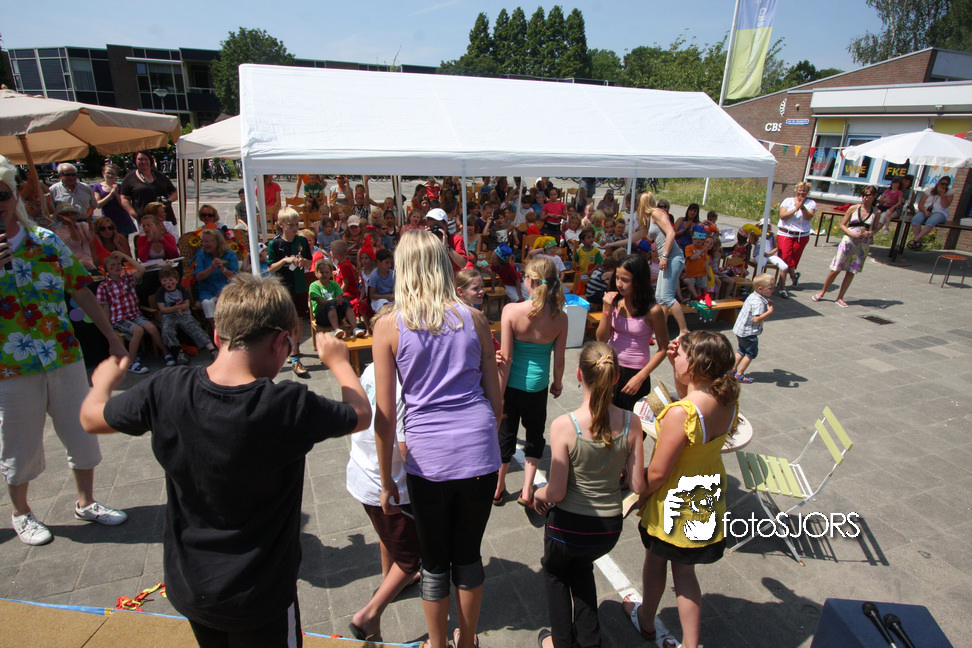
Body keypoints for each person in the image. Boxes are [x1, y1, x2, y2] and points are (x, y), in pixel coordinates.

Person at [80, 273, 371, 648]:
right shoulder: (286, 405)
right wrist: (339, 363)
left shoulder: (166, 387)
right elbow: (360, 415)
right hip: (261, 597)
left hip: (192, 587)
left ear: (217, 335)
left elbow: (91, 418)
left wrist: (102, 384)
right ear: (281, 343)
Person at [373, 229, 502, 648]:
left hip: (428, 457)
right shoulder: (474, 318)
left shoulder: (388, 326)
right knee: (468, 555)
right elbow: (496, 401)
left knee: (434, 562)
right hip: (478, 450)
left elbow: (385, 418)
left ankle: (437, 642)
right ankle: (468, 640)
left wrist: (386, 479)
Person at [1, 155, 129, 546]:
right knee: (19, 442)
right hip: (11, 364)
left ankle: (86, 502)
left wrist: (112, 337)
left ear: (14, 196)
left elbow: (80, 289)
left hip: (63, 353)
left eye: (2, 194)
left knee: (81, 430)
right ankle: (21, 512)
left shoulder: (45, 241)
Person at [624, 331, 740, 648]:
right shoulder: (727, 400)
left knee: (655, 560)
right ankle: (690, 644)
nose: (676, 355)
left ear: (697, 365)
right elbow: (689, 393)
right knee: (686, 574)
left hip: (674, 501)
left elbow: (659, 472)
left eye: (683, 354)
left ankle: (646, 619)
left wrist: (638, 494)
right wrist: (677, 365)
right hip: (706, 494)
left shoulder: (680, 414)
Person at [534, 342, 646, 648]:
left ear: (579, 374)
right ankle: (590, 641)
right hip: (607, 530)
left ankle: (561, 642)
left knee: (555, 573)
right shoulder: (632, 422)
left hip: (567, 528)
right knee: (582, 569)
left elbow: (557, 492)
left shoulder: (564, 426)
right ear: (616, 376)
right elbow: (637, 485)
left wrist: (538, 494)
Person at [346, 356, 421, 644]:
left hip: (364, 475)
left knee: (388, 534)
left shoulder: (371, 368)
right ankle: (370, 615)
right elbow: (405, 448)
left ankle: (389, 580)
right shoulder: (405, 384)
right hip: (390, 486)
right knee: (412, 558)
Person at [495, 256, 568, 509]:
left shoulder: (511, 311)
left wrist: (499, 395)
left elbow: (505, 358)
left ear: (530, 281)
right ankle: (527, 490)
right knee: (534, 436)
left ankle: (498, 488)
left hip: (511, 386)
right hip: (537, 388)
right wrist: (557, 383)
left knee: (506, 435)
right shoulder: (560, 317)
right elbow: (559, 359)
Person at [595, 254, 669, 410]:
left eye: (625, 280)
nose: (619, 284)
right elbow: (601, 339)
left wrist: (641, 376)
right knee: (607, 417)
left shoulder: (653, 310)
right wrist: (607, 311)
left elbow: (663, 348)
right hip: (611, 366)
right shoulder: (615, 302)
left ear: (639, 281)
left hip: (635, 373)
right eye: (617, 278)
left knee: (631, 419)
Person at [96, 251, 166, 374]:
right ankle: (130, 362)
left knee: (151, 327)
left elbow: (141, 269)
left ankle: (166, 353)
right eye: (112, 265)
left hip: (134, 315)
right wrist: (108, 328)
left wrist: (124, 256)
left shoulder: (128, 279)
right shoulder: (104, 286)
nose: (117, 267)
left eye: (119, 264)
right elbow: (105, 308)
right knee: (138, 330)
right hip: (119, 319)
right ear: (106, 268)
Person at [633, 193, 689, 339]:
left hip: (673, 258)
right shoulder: (650, 219)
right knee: (659, 298)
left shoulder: (657, 213)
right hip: (668, 259)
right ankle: (660, 330)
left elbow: (671, 233)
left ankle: (684, 330)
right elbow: (636, 236)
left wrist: (664, 256)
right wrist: (612, 244)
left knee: (668, 297)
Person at [812, 186, 878, 308]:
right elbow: (842, 225)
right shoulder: (854, 208)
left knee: (851, 271)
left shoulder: (876, 212)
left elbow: (875, 228)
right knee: (836, 268)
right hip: (848, 241)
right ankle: (822, 291)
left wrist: (870, 233)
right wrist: (851, 233)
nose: (865, 198)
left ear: (874, 196)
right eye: (863, 195)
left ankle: (840, 297)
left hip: (862, 244)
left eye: (868, 195)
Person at [267, 207, 312, 377]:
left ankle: (294, 349)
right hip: (284, 286)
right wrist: (285, 260)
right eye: (291, 224)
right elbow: (271, 268)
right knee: (288, 321)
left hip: (300, 285)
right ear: (281, 224)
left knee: (298, 320)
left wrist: (302, 262)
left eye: (296, 224)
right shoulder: (275, 244)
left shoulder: (301, 241)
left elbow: (309, 262)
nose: (295, 227)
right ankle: (293, 355)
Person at [155, 266, 217, 365]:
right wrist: (175, 308)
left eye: (170, 280)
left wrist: (181, 307)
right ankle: (178, 353)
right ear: (160, 281)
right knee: (167, 330)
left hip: (183, 314)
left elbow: (187, 304)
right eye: (165, 281)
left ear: (176, 280)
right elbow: (162, 309)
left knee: (194, 327)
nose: (168, 283)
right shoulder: (160, 292)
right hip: (169, 316)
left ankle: (212, 349)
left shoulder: (181, 289)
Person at [731, 273, 775, 383]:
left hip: (740, 330)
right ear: (760, 288)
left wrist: (766, 302)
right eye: (770, 288)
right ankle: (739, 374)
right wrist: (769, 312)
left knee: (741, 350)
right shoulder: (758, 302)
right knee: (750, 354)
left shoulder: (753, 296)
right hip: (749, 332)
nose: (773, 290)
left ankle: (732, 369)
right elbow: (756, 319)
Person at [776, 181, 815, 294]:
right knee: (785, 259)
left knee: (793, 260)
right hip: (785, 234)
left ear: (807, 192)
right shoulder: (788, 201)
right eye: (800, 190)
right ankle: (782, 285)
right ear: (796, 191)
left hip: (801, 236)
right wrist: (795, 209)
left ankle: (792, 275)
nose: (802, 193)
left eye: (804, 191)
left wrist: (802, 208)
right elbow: (783, 216)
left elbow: (808, 217)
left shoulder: (811, 203)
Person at [119, 151, 178, 226]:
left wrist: (168, 201)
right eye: (140, 159)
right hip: (144, 222)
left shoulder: (160, 176)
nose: (143, 162)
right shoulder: (129, 178)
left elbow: (175, 193)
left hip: (166, 220)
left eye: (146, 159)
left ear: (150, 160)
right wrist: (134, 214)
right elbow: (124, 199)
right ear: (135, 161)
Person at [193, 228, 238, 325]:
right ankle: (216, 331)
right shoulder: (201, 256)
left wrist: (223, 269)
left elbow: (235, 277)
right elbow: (198, 277)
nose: (205, 244)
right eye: (203, 241)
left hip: (226, 290)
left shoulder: (230, 255)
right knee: (207, 303)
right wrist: (212, 268)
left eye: (208, 241)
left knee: (228, 304)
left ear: (218, 241)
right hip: (207, 290)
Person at [309, 257, 359, 338]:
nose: (324, 275)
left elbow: (339, 297)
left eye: (327, 272)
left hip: (336, 314)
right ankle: (336, 329)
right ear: (316, 273)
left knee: (346, 303)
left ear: (331, 273)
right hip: (322, 317)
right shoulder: (314, 286)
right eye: (321, 272)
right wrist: (335, 300)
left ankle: (355, 328)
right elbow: (321, 302)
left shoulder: (334, 284)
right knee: (331, 304)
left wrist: (340, 300)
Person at [908, 176, 953, 250]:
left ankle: (915, 240)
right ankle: (918, 241)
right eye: (943, 183)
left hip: (940, 212)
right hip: (926, 210)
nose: (944, 186)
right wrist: (925, 211)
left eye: (946, 184)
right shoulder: (929, 191)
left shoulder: (949, 193)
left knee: (931, 221)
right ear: (939, 183)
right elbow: (921, 204)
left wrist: (942, 194)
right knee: (915, 219)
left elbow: (945, 205)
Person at [92, 163, 136, 236]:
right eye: (108, 173)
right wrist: (111, 194)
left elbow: (124, 206)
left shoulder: (120, 187)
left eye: (113, 174)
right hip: (107, 220)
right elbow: (98, 205)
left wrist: (116, 194)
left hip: (122, 220)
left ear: (116, 176)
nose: (110, 175)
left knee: (123, 241)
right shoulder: (97, 187)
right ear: (103, 173)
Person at [52, 204, 97, 271]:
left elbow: (92, 236)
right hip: (73, 263)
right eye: (67, 215)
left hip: (91, 261)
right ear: (60, 217)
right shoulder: (58, 231)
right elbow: (76, 243)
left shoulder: (82, 225)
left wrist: (89, 220)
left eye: (72, 214)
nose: (70, 217)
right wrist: (71, 225)